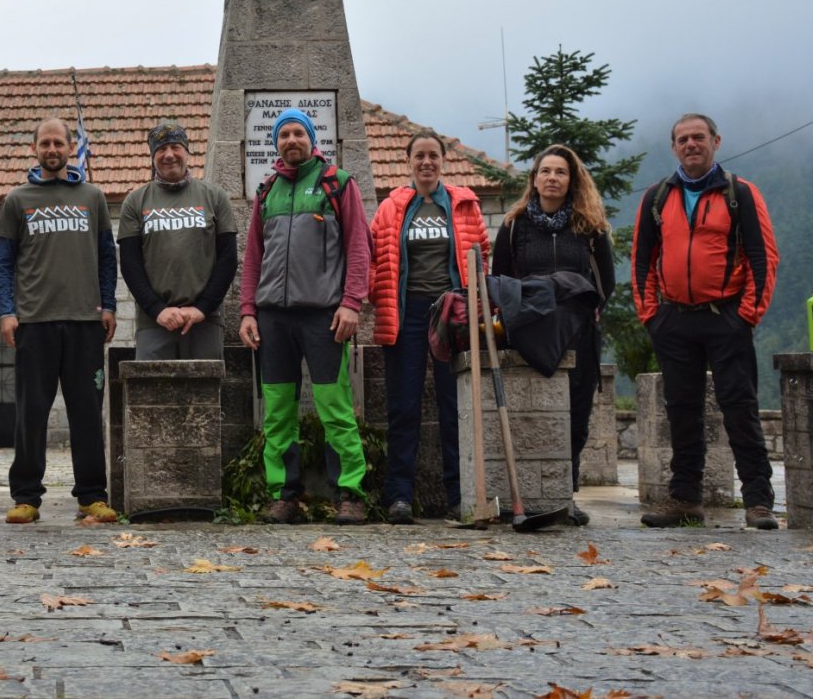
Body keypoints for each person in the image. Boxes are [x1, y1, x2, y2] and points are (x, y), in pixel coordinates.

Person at [632, 114, 779, 530]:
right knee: (681, 411)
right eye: (682, 139)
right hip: (674, 320)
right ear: (674, 147)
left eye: (699, 137)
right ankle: (684, 500)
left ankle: (758, 502)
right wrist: (651, 315)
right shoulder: (657, 197)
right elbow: (642, 261)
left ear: (715, 141)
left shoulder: (741, 194)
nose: (691, 144)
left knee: (740, 407)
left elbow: (763, 258)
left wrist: (747, 315)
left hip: (726, 318)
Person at [238, 108, 369, 525]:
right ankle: (285, 495)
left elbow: (360, 248)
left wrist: (351, 302)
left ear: (312, 140)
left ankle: (350, 493)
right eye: (284, 135)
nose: (291, 140)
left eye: (299, 133)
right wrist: (247, 312)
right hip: (273, 319)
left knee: (334, 407)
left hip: (325, 317)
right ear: (275, 143)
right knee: (277, 410)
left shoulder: (338, 184)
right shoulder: (267, 191)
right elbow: (253, 258)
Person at [0, 117, 118, 525]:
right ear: (35, 149)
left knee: (87, 412)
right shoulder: (18, 200)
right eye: (44, 143)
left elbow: (106, 256)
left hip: (85, 322)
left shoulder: (92, 197)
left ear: (70, 147)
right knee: (31, 413)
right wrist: (7, 311)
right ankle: (26, 497)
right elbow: (3, 262)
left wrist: (109, 305)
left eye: (58, 143)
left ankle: (92, 496)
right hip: (34, 322)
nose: (52, 150)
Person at [368, 131, 489, 525]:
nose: (426, 162)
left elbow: (481, 255)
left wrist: (478, 301)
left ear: (443, 161)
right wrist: (372, 294)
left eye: (433, 156)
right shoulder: (391, 208)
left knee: (455, 407)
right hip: (406, 314)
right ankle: (400, 496)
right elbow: (372, 256)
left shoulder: (463, 204)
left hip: (452, 315)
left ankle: (460, 496)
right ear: (408, 162)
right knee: (403, 407)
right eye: (419, 156)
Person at [491, 145, 614, 526]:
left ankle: (566, 494)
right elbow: (501, 280)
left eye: (560, 172)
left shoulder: (589, 228)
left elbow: (605, 283)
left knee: (575, 416)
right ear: (534, 179)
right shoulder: (514, 228)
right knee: (529, 417)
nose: (552, 178)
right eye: (545, 171)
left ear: (571, 180)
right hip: (528, 334)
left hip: (578, 335)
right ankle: (523, 496)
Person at [118, 120, 237, 360]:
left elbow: (228, 259)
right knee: (152, 395)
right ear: (152, 156)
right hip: (154, 322)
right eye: (161, 149)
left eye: (175, 147)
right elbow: (130, 265)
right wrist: (157, 309)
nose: (169, 155)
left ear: (187, 151)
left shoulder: (215, 197)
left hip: (205, 320)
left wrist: (202, 308)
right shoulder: (135, 202)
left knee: (204, 395)